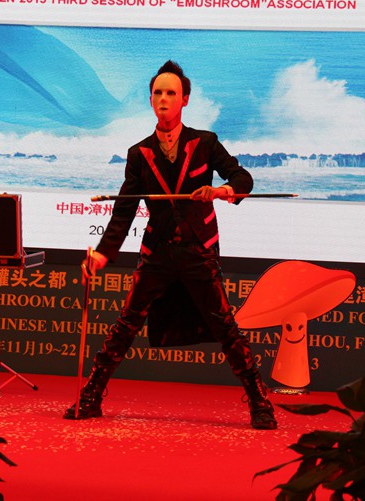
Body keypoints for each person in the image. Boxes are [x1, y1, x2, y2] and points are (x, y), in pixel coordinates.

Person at [63, 60, 277, 430]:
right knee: (126, 324)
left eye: (171, 93)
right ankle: (91, 396)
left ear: (185, 100)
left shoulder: (205, 143)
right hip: (158, 253)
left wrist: (222, 190)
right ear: (151, 100)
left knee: (225, 326)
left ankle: (259, 400)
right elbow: (124, 210)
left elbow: (242, 177)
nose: (164, 99)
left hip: (198, 250)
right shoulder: (139, 153)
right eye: (158, 93)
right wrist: (102, 254)